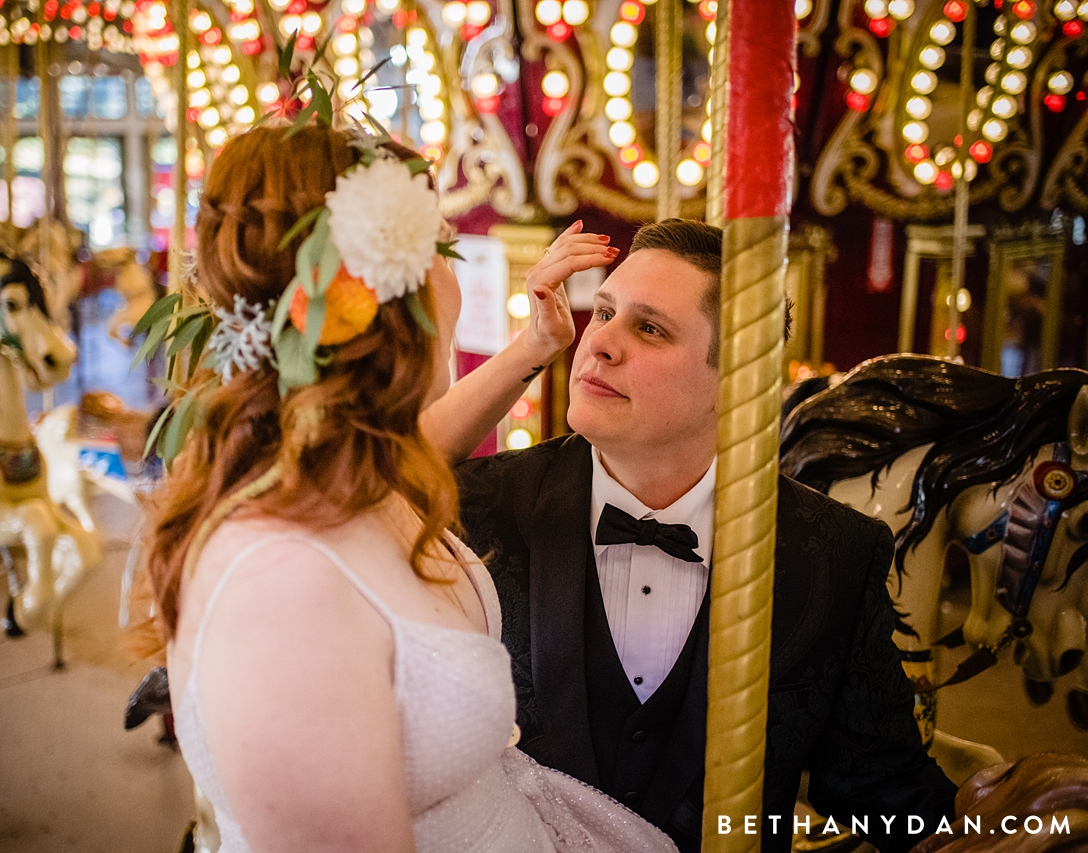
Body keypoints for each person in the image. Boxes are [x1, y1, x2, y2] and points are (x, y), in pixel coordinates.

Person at [139, 123, 677, 853]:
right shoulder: (280, 588)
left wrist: (535, 344)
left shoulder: (339, 471)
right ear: (383, 295)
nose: (453, 278)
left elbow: (419, 447)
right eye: (440, 249)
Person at [454, 218, 959, 853]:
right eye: (604, 311)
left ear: (739, 380)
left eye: (649, 328)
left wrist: (1021, 830)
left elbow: (880, 786)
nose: (599, 344)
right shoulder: (479, 511)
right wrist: (528, 347)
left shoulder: (834, 552)